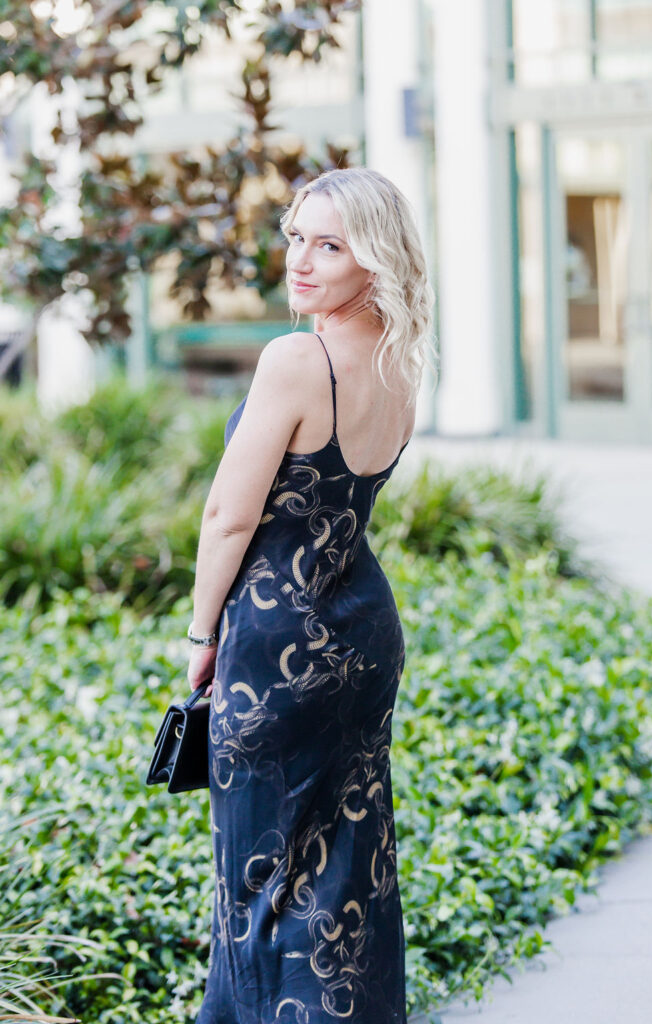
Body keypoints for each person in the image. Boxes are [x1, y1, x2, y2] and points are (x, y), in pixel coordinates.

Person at [189, 167, 435, 1024]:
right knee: (348, 871)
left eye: (328, 245)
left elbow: (228, 516)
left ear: (373, 259)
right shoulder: (400, 359)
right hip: (362, 634)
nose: (300, 260)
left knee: (256, 880)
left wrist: (197, 636)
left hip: (274, 644)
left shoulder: (295, 358)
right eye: (296, 237)